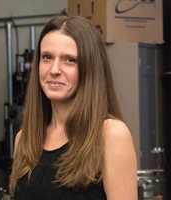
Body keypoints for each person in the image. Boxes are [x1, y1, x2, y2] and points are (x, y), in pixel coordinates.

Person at [9, 15, 137, 199]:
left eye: (69, 60)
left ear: (90, 68)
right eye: (47, 57)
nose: (54, 70)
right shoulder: (25, 139)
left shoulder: (111, 135)